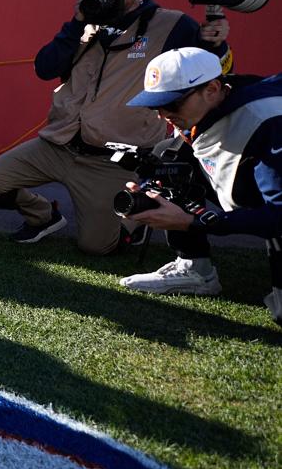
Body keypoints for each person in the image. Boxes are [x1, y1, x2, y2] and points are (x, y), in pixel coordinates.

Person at [0, 0, 232, 255]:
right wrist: (76, 23)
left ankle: (138, 209)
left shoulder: (172, 24)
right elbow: (45, 68)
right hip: (58, 144)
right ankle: (44, 216)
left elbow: (213, 69)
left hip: (112, 160)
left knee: (96, 246)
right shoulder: (87, 23)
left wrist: (216, 44)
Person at [118, 47, 282, 326]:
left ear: (213, 88)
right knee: (165, 159)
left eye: (171, 104)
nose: (162, 114)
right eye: (156, 105)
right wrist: (150, 188)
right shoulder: (215, 102)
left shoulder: (268, 121)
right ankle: (195, 267)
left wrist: (195, 222)